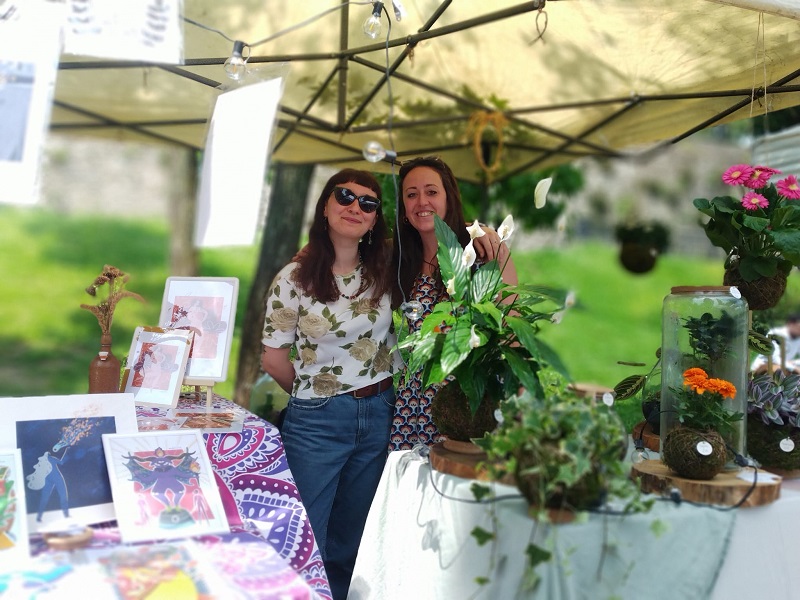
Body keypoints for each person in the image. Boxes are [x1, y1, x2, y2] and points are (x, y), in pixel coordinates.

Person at [261, 168, 395, 600]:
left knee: (351, 543)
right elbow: (274, 358)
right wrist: (316, 396)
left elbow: (435, 233)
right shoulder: (293, 278)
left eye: (368, 203)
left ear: (375, 220)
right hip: (317, 421)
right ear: (325, 205)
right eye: (345, 196)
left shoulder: (387, 269)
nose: (355, 207)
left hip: (378, 415)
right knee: (304, 542)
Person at [389, 156, 518, 451]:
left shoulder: (484, 250)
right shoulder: (399, 259)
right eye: (411, 194)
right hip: (411, 408)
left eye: (432, 191)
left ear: (449, 197)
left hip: (466, 403)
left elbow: (513, 329)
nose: (422, 201)